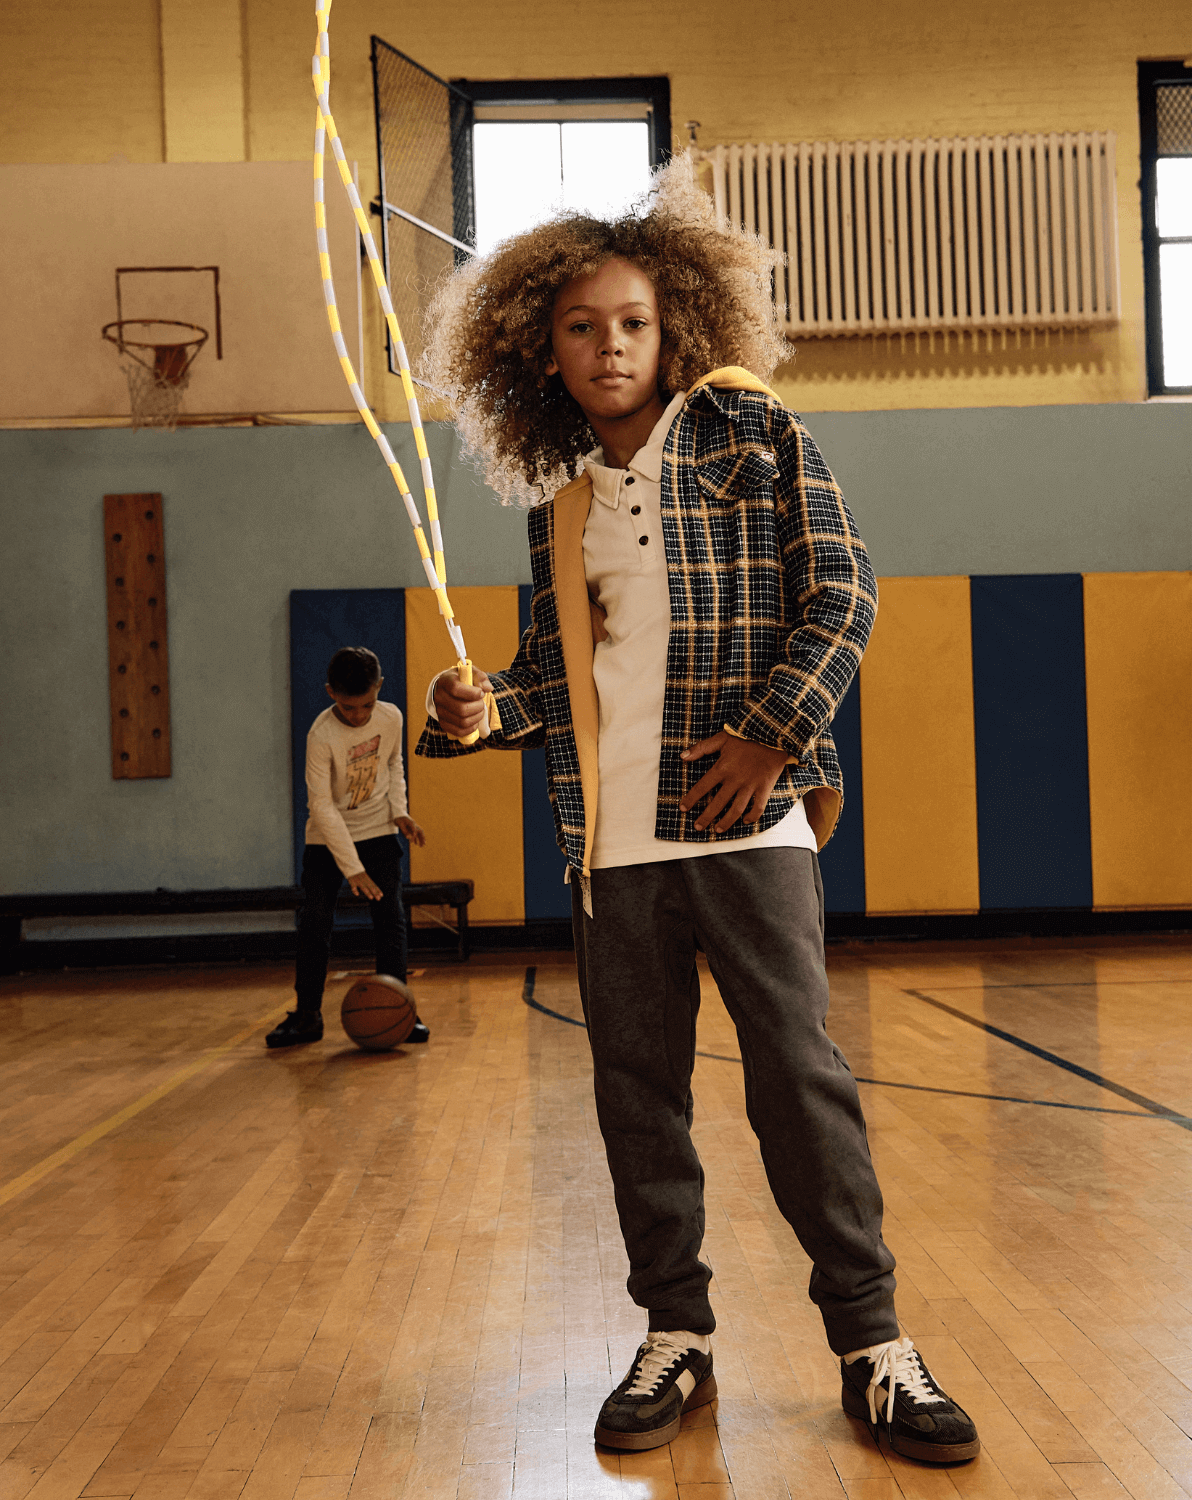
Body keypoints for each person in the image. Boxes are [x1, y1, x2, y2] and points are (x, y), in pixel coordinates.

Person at [417, 158, 979, 1464]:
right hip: (614, 861)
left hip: (752, 838)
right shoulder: (563, 513)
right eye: (580, 328)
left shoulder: (756, 442)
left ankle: (874, 1343)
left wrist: (772, 737)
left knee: (799, 1084)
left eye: (631, 323)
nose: (609, 346)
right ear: (541, 354)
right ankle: (675, 1330)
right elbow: (550, 690)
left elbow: (844, 590)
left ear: (674, 331)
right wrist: (474, 715)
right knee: (638, 1101)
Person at [267, 645, 430, 1049]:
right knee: (315, 923)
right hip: (327, 839)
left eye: (366, 705)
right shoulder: (321, 736)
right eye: (348, 707)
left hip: (378, 830)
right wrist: (352, 867)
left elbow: (393, 763)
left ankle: (399, 1010)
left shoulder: (391, 716)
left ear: (380, 688)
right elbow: (320, 805)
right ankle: (307, 1016)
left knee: (390, 921)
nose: (358, 715)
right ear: (329, 693)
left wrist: (399, 812)